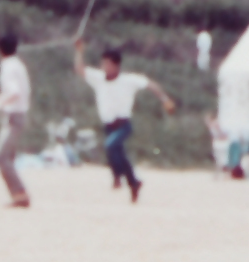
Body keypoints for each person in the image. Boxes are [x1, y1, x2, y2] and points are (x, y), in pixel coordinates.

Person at [72, 38, 176, 202]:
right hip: (108, 125)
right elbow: (80, 69)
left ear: (116, 66)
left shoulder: (128, 80)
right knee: (119, 154)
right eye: (103, 64)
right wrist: (79, 51)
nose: (104, 67)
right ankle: (134, 182)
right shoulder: (98, 78)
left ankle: (117, 178)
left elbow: (151, 85)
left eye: (107, 64)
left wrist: (165, 99)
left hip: (123, 124)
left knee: (110, 146)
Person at [0, 33, 32, 208]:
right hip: (18, 115)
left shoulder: (8, 66)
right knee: (8, 157)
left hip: (14, 117)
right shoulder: (18, 65)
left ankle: (20, 194)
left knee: (0, 156)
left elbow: (14, 93)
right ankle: (18, 196)